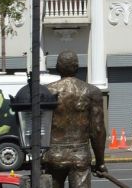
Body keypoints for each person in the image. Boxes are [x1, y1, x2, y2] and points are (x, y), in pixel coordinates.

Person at [41, 50, 107, 188]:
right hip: (80, 155)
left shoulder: (47, 91)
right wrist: (100, 161)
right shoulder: (92, 92)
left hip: (54, 155)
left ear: (57, 67)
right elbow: (98, 130)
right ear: (77, 67)